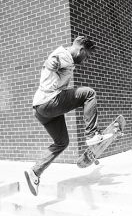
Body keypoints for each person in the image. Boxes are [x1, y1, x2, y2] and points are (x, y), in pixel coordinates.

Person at [24, 36, 110, 196]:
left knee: (62, 142)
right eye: (87, 56)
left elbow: (52, 62)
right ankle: (92, 134)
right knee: (89, 94)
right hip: (50, 102)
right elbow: (53, 61)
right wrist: (51, 63)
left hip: (39, 108)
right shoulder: (65, 55)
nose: (85, 60)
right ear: (81, 50)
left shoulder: (63, 54)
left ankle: (35, 172)